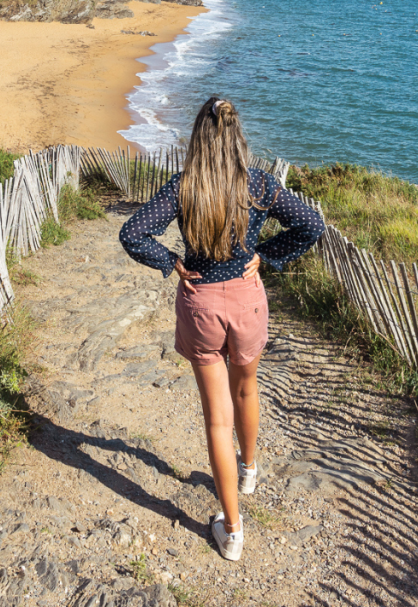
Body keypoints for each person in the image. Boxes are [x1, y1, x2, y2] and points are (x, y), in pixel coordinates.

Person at [119, 96, 325, 560]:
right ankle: (249, 470)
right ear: (237, 138)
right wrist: (266, 256)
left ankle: (232, 531)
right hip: (248, 301)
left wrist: (170, 262)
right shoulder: (260, 186)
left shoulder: (183, 187)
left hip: (201, 306)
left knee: (217, 417)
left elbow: (133, 232)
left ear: (198, 138)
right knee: (248, 391)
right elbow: (312, 224)